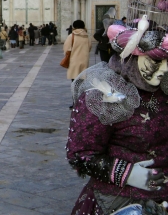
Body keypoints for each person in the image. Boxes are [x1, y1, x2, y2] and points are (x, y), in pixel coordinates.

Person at [66, 19, 168, 215]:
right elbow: (80, 153)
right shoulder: (102, 95)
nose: (165, 69)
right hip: (120, 202)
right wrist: (127, 174)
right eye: (156, 61)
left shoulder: (165, 90)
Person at [63, 20, 91, 109]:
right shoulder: (87, 36)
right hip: (84, 62)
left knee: (74, 84)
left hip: (74, 62)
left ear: (74, 26)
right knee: (82, 84)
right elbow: (89, 48)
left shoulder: (71, 36)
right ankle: (81, 102)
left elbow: (66, 49)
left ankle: (75, 102)